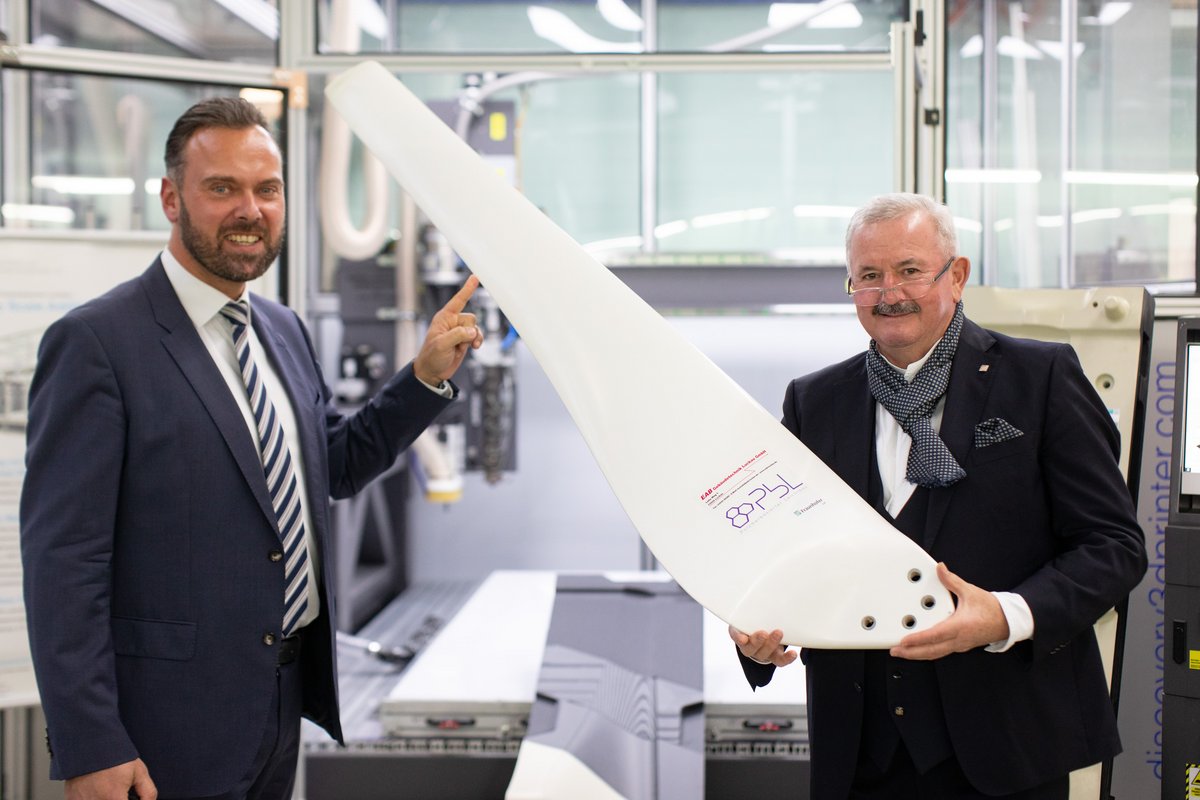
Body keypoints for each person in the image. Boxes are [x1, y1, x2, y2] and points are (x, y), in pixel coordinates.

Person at [20, 96, 483, 800]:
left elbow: (332, 464)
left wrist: (422, 380)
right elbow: (63, 562)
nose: (250, 210)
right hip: (161, 730)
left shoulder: (282, 330)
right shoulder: (98, 344)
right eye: (222, 188)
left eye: (266, 189)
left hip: (277, 706)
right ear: (172, 199)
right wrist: (91, 742)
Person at [729, 192, 1147, 800]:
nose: (888, 292)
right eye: (869, 276)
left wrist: (1006, 615)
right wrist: (758, 629)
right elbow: (783, 551)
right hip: (859, 757)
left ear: (957, 275)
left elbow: (1114, 546)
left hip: (1007, 748)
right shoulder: (814, 402)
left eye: (908, 271)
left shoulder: (1041, 378)